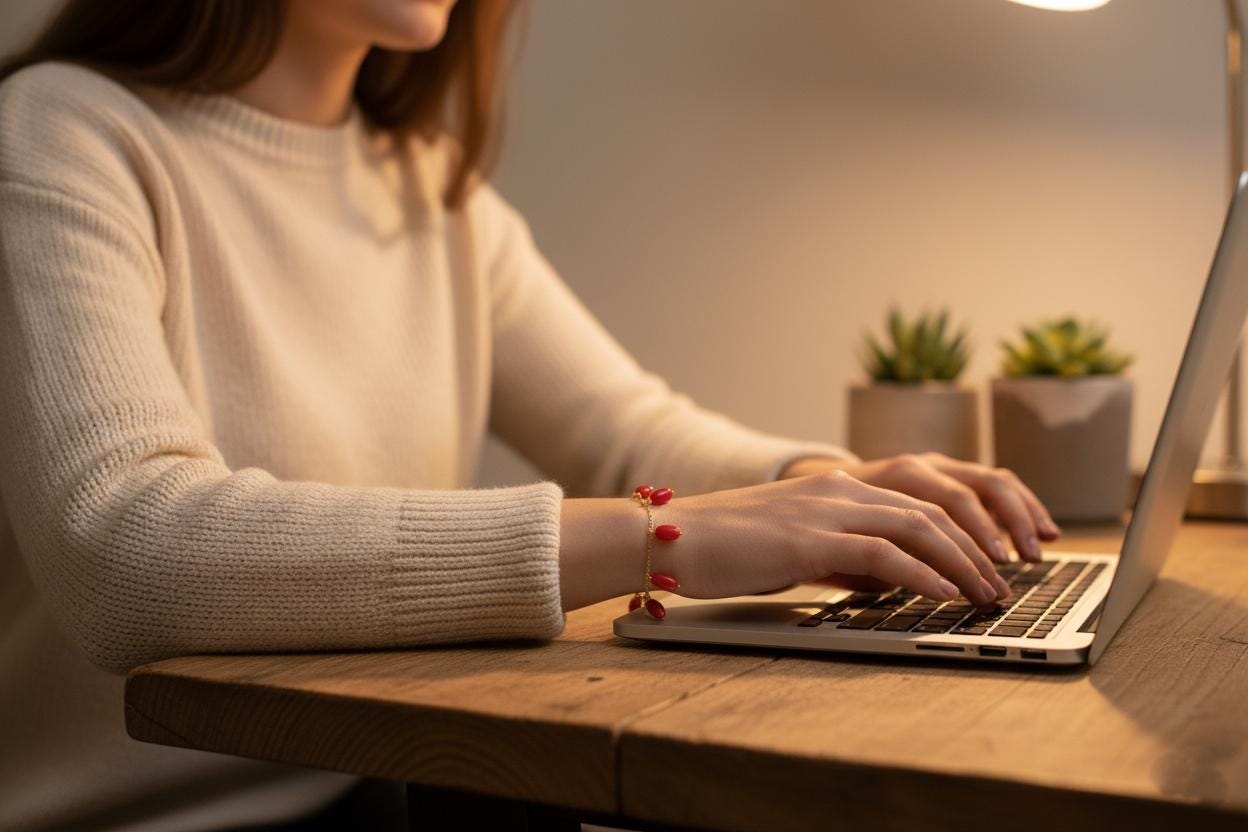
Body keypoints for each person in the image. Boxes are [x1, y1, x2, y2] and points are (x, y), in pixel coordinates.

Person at [0, 0, 1060, 829]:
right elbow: (126, 545)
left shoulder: (434, 198)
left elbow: (630, 428)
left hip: (379, 784)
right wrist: (662, 539)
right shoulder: (63, 132)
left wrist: (829, 490)